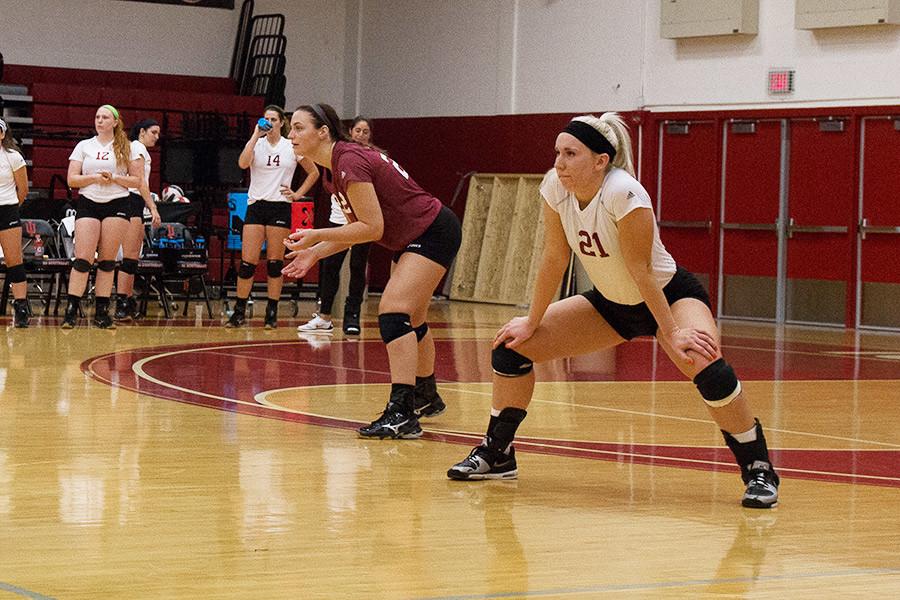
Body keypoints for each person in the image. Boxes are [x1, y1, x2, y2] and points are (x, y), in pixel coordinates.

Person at [446, 113, 780, 509]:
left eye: (571, 154)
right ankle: (497, 454)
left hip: (667, 296)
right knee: (511, 348)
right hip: (611, 302)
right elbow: (554, 258)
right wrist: (531, 321)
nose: (559, 162)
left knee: (708, 366)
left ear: (601, 160)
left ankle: (758, 468)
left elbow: (641, 271)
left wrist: (672, 332)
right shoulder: (556, 187)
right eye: (557, 153)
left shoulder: (624, 193)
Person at [283, 103, 461, 438]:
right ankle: (426, 395)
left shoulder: (348, 161)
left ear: (323, 132)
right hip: (417, 234)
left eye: (297, 127)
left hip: (432, 231)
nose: (291, 135)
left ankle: (401, 412)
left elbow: (372, 228)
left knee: (394, 313)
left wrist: (318, 234)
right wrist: (314, 255)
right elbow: (357, 228)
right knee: (414, 318)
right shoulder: (334, 168)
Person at [225, 105, 319, 329]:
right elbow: (242, 163)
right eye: (265, 118)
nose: (268, 122)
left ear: (281, 123)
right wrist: (256, 134)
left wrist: (297, 195)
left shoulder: (291, 146)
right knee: (247, 264)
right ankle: (239, 311)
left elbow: (314, 172)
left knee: (275, 264)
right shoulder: (257, 143)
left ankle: (272, 311)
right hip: (257, 205)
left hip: (280, 206)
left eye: (273, 119)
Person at [64, 105, 142, 329]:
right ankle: (71, 310)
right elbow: (72, 179)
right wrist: (95, 178)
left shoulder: (127, 147)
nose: (99, 121)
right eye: (97, 117)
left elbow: (137, 181)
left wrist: (115, 178)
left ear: (115, 122)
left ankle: (101, 312)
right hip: (89, 202)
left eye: (105, 117)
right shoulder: (84, 146)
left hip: (117, 204)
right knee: (83, 259)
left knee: (107, 261)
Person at [298, 116, 374, 335]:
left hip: (362, 220)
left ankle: (353, 316)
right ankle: (324, 316)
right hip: (339, 218)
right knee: (330, 266)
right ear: (350, 132)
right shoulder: (337, 157)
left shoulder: (369, 159)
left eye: (365, 131)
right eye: (358, 131)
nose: (361, 135)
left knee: (358, 267)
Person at [114, 118, 162, 321]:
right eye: (154, 132)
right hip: (132, 201)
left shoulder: (135, 148)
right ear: (142, 131)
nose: (157, 137)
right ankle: (122, 302)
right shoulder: (138, 148)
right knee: (130, 257)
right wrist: (153, 207)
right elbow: (140, 183)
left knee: (133, 256)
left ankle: (127, 299)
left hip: (134, 202)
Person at [0, 118, 30, 328]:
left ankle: (21, 306)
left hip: (7, 209)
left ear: (2, 134)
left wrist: (11, 207)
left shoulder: (13, 157)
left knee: (14, 260)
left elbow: (23, 190)